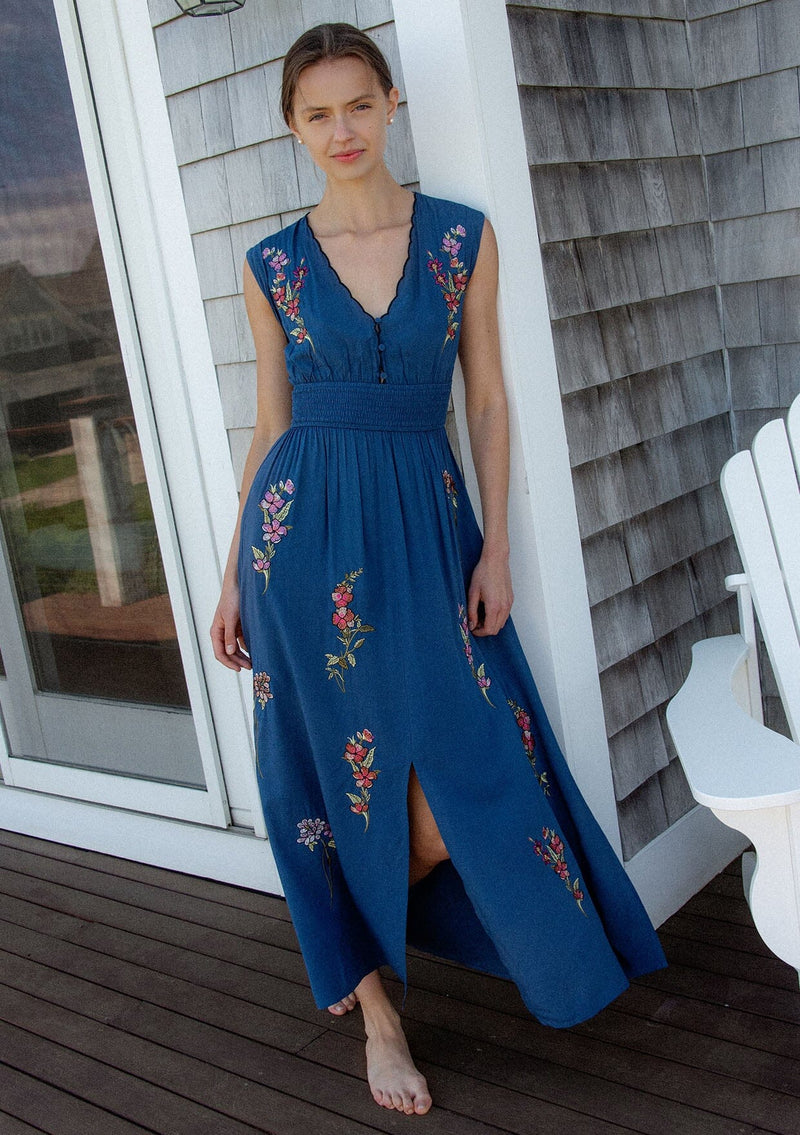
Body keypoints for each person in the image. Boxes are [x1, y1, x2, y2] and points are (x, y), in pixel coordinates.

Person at [211, 22, 667, 1118]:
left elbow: (489, 399)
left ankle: (355, 942)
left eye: (357, 105)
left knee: (452, 779)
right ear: (292, 128)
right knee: (320, 782)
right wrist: (233, 576)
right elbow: (269, 428)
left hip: (427, 531)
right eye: (317, 114)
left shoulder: (459, 238)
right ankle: (376, 1014)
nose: (341, 130)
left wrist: (497, 546)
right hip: (298, 549)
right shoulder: (271, 263)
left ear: (391, 104)